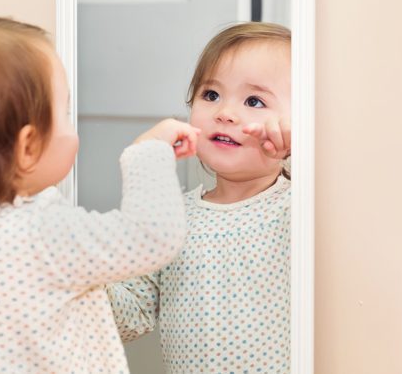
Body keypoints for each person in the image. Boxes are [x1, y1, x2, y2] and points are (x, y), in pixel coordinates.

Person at [0, 17, 200, 374]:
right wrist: (147, 153)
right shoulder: (42, 236)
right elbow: (152, 236)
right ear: (27, 147)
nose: (72, 125)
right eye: (65, 113)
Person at [107, 22, 292, 373]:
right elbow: (129, 315)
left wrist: (310, 149)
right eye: (211, 95)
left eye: (254, 101)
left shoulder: (298, 209)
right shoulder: (172, 218)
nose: (225, 113)